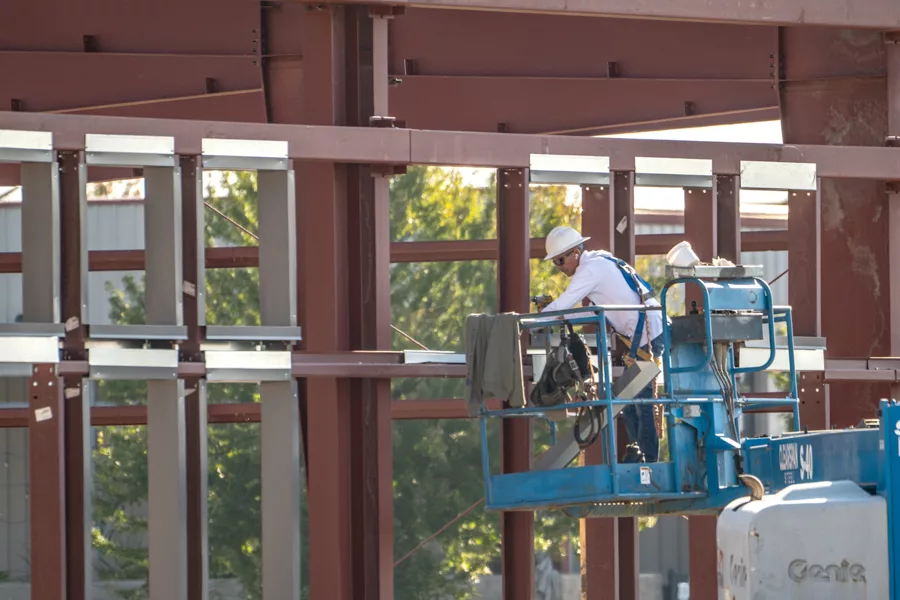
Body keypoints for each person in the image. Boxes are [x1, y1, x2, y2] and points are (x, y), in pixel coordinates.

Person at [536, 225, 663, 463]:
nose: (560, 268)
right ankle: (640, 455)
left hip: (649, 334)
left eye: (560, 260)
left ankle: (648, 462)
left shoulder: (590, 270)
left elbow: (564, 304)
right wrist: (553, 316)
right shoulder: (599, 262)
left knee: (641, 400)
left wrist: (534, 320)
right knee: (629, 400)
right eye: (555, 263)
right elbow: (593, 312)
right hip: (645, 335)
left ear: (575, 252)